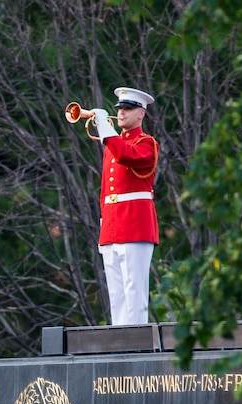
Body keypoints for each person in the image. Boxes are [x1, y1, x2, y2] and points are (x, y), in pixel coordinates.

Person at [90, 86, 160, 326]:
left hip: (134, 224)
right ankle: (120, 340)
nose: (121, 113)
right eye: (120, 108)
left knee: (134, 291)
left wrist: (106, 131)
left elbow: (126, 155)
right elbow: (107, 191)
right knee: (117, 294)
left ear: (141, 113)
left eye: (128, 109)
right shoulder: (114, 144)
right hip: (111, 225)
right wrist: (103, 223)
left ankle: (136, 342)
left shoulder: (146, 143)